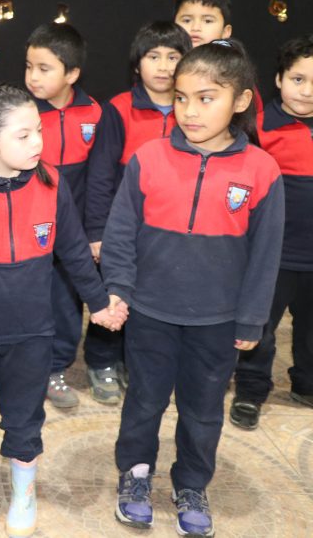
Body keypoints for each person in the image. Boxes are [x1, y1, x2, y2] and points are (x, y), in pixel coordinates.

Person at [0, 84, 124, 537]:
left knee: (26, 419)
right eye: (23, 135)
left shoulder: (52, 183)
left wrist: (99, 302)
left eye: (39, 131)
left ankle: (24, 492)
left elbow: (74, 251)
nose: (37, 143)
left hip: (32, 334)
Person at [104, 41, 284, 537]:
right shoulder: (148, 158)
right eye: (181, 98)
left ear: (241, 101)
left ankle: (191, 483)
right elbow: (120, 232)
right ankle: (135, 473)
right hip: (150, 311)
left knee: (203, 410)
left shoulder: (262, 171)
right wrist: (118, 288)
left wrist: (251, 319)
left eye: (206, 98)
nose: (190, 111)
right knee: (144, 400)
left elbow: (265, 257)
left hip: (218, 319)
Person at [84, 21, 191, 403]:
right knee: (115, 294)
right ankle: (101, 361)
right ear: (137, 63)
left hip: (168, 230)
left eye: (173, 57)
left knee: (149, 302)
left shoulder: (191, 109)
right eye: (153, 56)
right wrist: (97, 231)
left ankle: (135, 361)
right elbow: (100, 174)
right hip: (123, 228)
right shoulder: (118, 108)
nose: (163, 66)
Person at [230, 35, 313, 429]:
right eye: (298, 79)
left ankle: (307, 384)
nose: (307, 90)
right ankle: (250, 390)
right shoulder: (259, 128)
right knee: (259, 328)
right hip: (273, 254)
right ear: (279, 79)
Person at [23, 23, 102, 408]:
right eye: (28, 67)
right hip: (27, 226)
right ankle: (19, 364)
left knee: (67, 301)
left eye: (44, 68)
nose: (33, 77)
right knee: (25, 297)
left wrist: (93, 231)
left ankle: (56, 367)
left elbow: (99, 177)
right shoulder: (19, 112)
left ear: (72, 74)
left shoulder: (95, 112)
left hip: (72, 231)